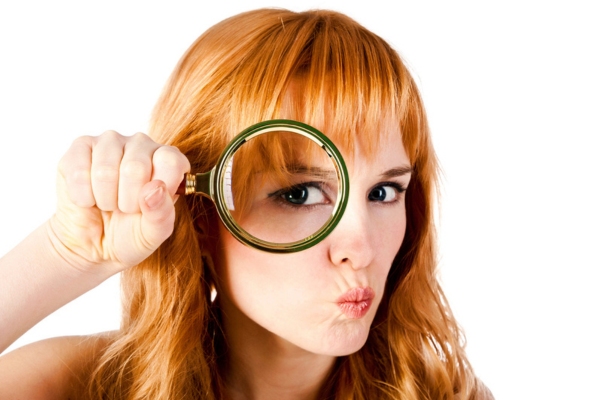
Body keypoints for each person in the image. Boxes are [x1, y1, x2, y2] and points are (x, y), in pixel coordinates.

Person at [0, 8, 494, 399]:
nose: (359, 248)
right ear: (197, 211)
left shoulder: (440, 394)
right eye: (298, 194)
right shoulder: (78, 387)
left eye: (384, 192)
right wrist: (67, 253)